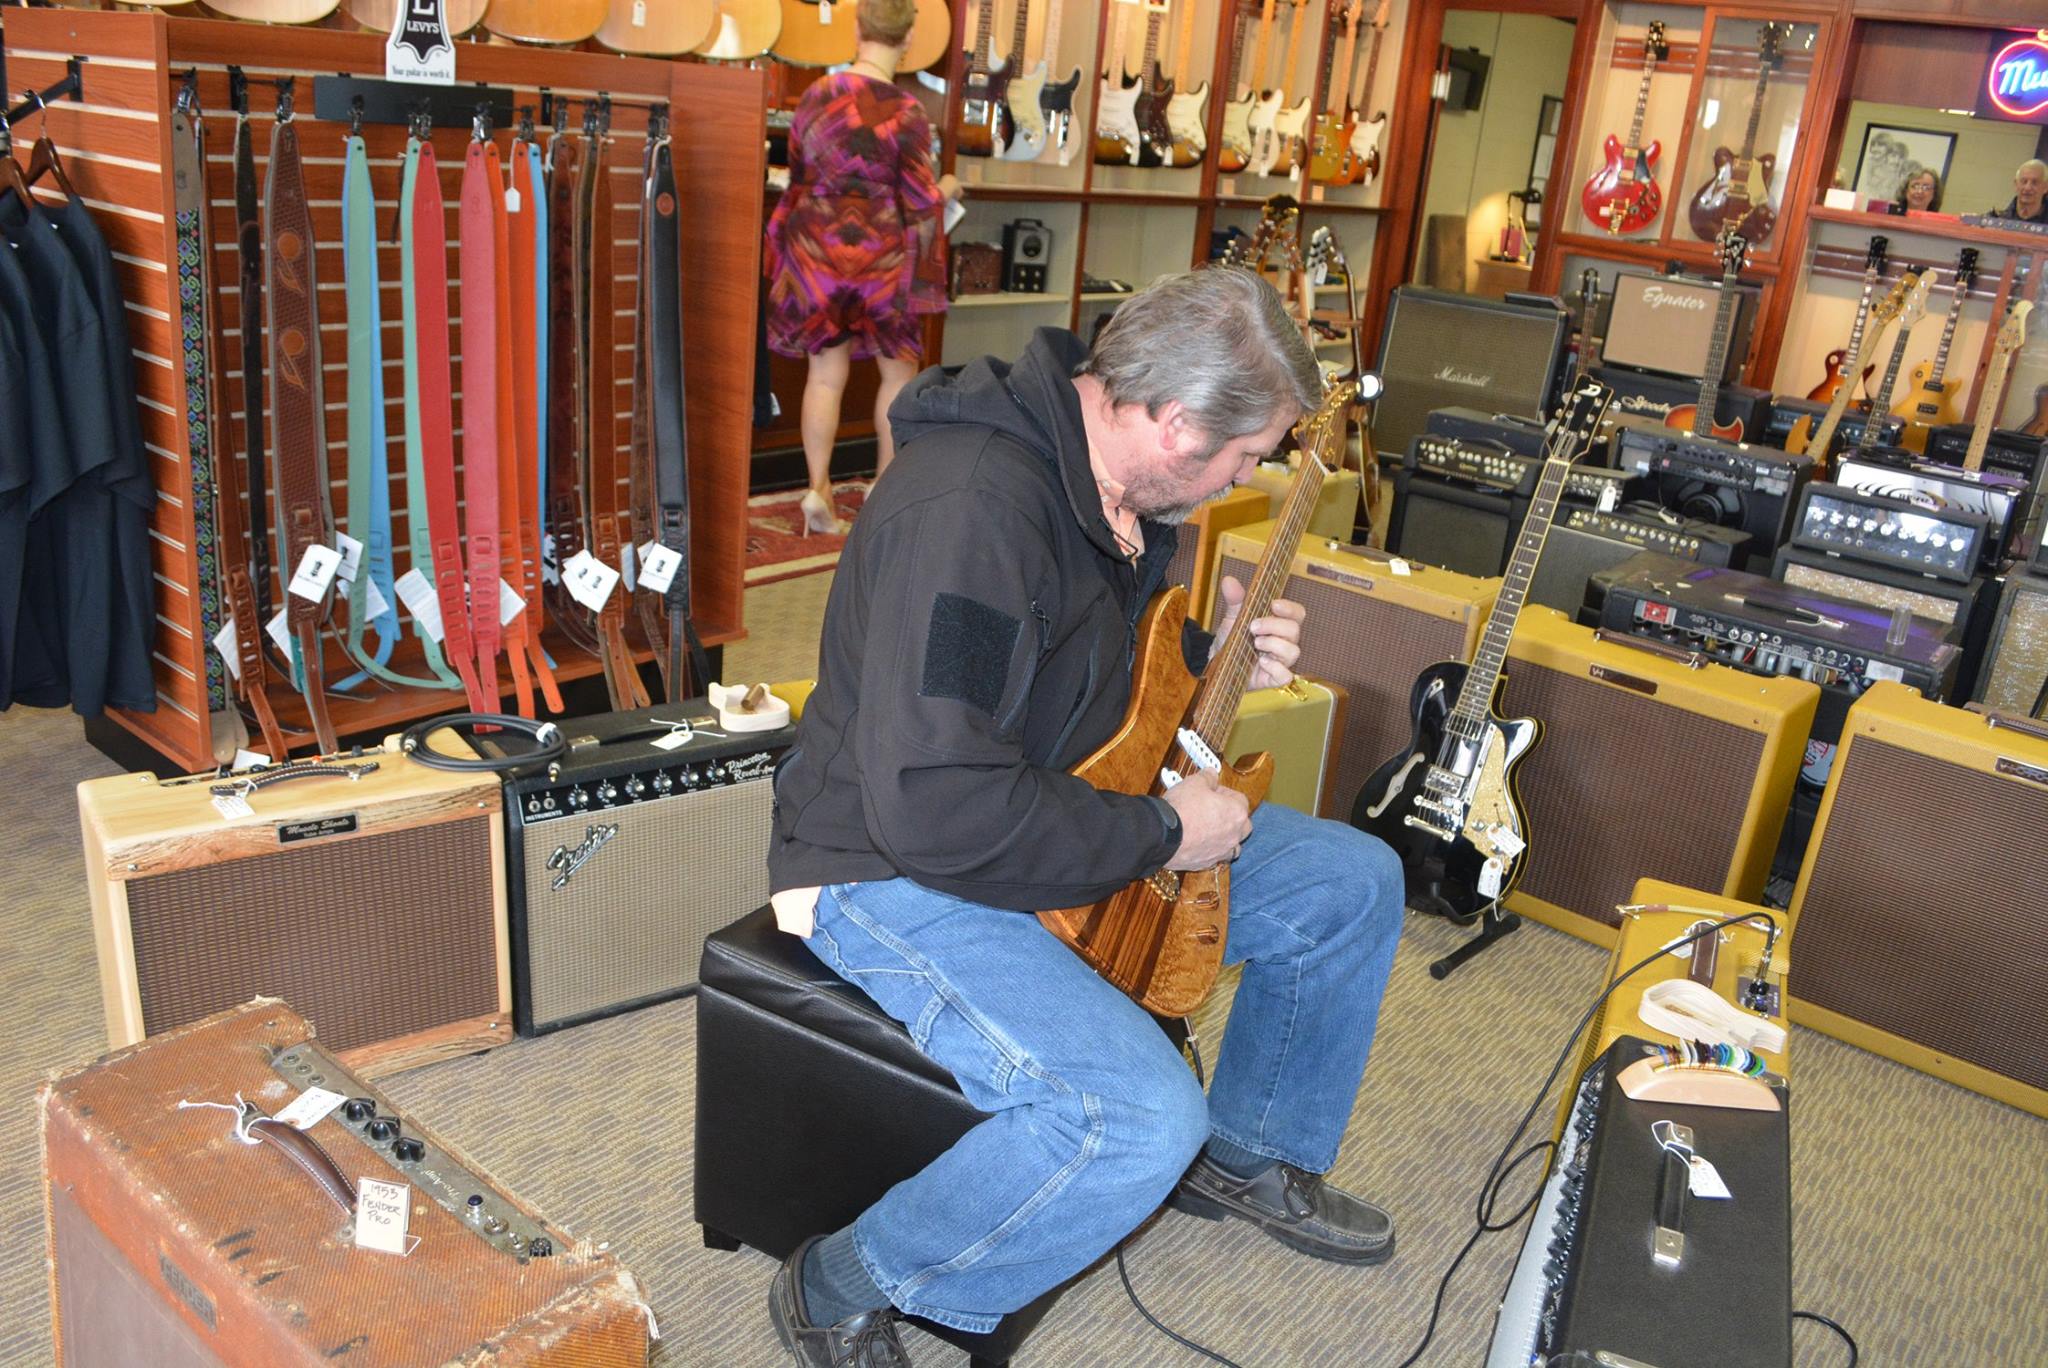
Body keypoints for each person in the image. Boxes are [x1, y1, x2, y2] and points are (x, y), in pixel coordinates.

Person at [763, 268, 1408, 1367]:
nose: (1242, 479)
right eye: (1244, 456)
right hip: (889, 863)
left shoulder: (1113, 482)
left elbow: (1072, 680)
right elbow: (936, 798)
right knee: (1134, 1120)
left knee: (1347, 884)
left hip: (1062, 811)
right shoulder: (967, 518)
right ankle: (842, 1280)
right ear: (1171, 422)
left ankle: (1245, 1151)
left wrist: (1210, 659)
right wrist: (1164, 836)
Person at [763, 0, 962, 537]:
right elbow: (921, 201)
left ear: (857, 27)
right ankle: (882, 490)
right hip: (881, 260)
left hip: (819, 251)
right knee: (897, 376)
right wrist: (950, 188)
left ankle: (817, 487)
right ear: (909, 37)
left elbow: (800, 172)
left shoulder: (816, 96)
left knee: (825, 375)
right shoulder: (908, 113)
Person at [1997, 159, 2048, 224]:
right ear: (2016, 184)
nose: (2027, 188)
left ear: (2046, 187)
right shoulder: (1995, 221)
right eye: (2024, 181)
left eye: (2035, 183)